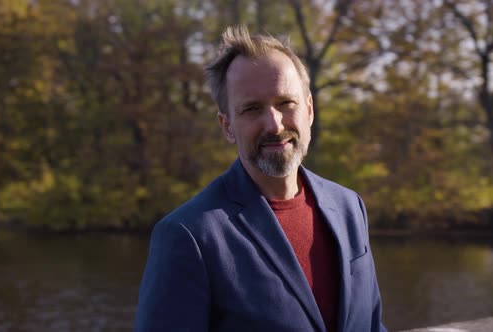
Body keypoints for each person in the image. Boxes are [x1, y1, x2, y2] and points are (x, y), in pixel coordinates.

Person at [134, 25, 386, 332]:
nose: (274, 124)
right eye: (252, 109)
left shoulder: (349, 207)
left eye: (285, 103)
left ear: (308, 110)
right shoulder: (188, 236)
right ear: (227, 126)